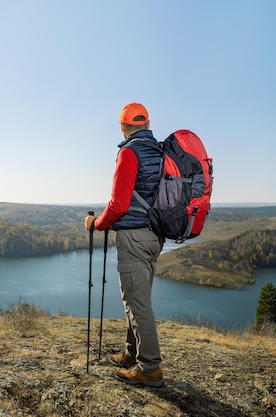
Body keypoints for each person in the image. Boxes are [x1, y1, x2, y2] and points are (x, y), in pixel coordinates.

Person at [84, 102, 165, 387]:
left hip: (134, 236)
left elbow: (118, 205)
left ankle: (150, 368)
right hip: (156, 236)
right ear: (146, 124)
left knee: (137, 303)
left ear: (123, 126)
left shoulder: (130, 152)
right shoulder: (160, 152)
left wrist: (97, 223)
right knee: (139, 298)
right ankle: (133, 354)